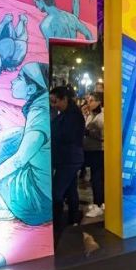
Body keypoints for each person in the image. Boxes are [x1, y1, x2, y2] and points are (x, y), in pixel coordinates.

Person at [0, 63, 51, 225]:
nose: (12, 81)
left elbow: (19, 159)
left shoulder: (39, 113)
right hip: (42, 196)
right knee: (14, 135)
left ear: (31, 89)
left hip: (36, 203)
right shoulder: (41, 106)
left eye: (20, 78)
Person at [50, 86, 85, 237]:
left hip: (69, 159)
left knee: (57, 192)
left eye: (55, 101)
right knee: (71, 190)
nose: (53, 105)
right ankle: (73, 219)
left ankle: (56, 224)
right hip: (69, 158)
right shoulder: (67, 113)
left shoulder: (72, 115)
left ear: (64, 98)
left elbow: (65, 135)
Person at [83, 92, 104, 217]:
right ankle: (99, 203)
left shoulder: (102, 117)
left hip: (98, 151)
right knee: (95, 178)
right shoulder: (92, 115)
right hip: (90, 150)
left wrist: (87, 132)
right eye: (88, 100)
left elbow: (103, 136)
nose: (88, 103)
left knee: (97, 178)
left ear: (98, 102)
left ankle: (98, 203)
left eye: (91, 101)